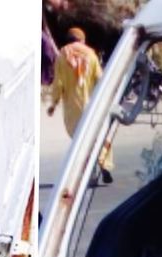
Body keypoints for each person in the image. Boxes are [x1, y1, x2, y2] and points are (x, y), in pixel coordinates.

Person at [47, 27, 114, 184]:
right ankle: (105, 163)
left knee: (81, 141)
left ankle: (89, 174)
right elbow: (100, 79)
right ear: (82, 40)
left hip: (73, 109)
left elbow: (58, 83)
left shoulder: (63, 55)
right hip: (92, 105)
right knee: (98, 135)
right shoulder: (90, 54)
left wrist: (53, 103)